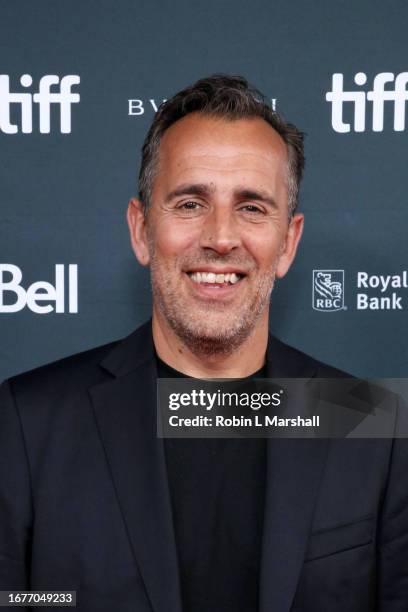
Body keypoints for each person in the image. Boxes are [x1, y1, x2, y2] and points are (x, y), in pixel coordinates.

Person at [0, 75, 407, 612]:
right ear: (142, 230)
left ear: (288, 243)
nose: (220, 237)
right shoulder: (29, 424)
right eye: (190, 203)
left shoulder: (370, 422)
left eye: (253, 207)